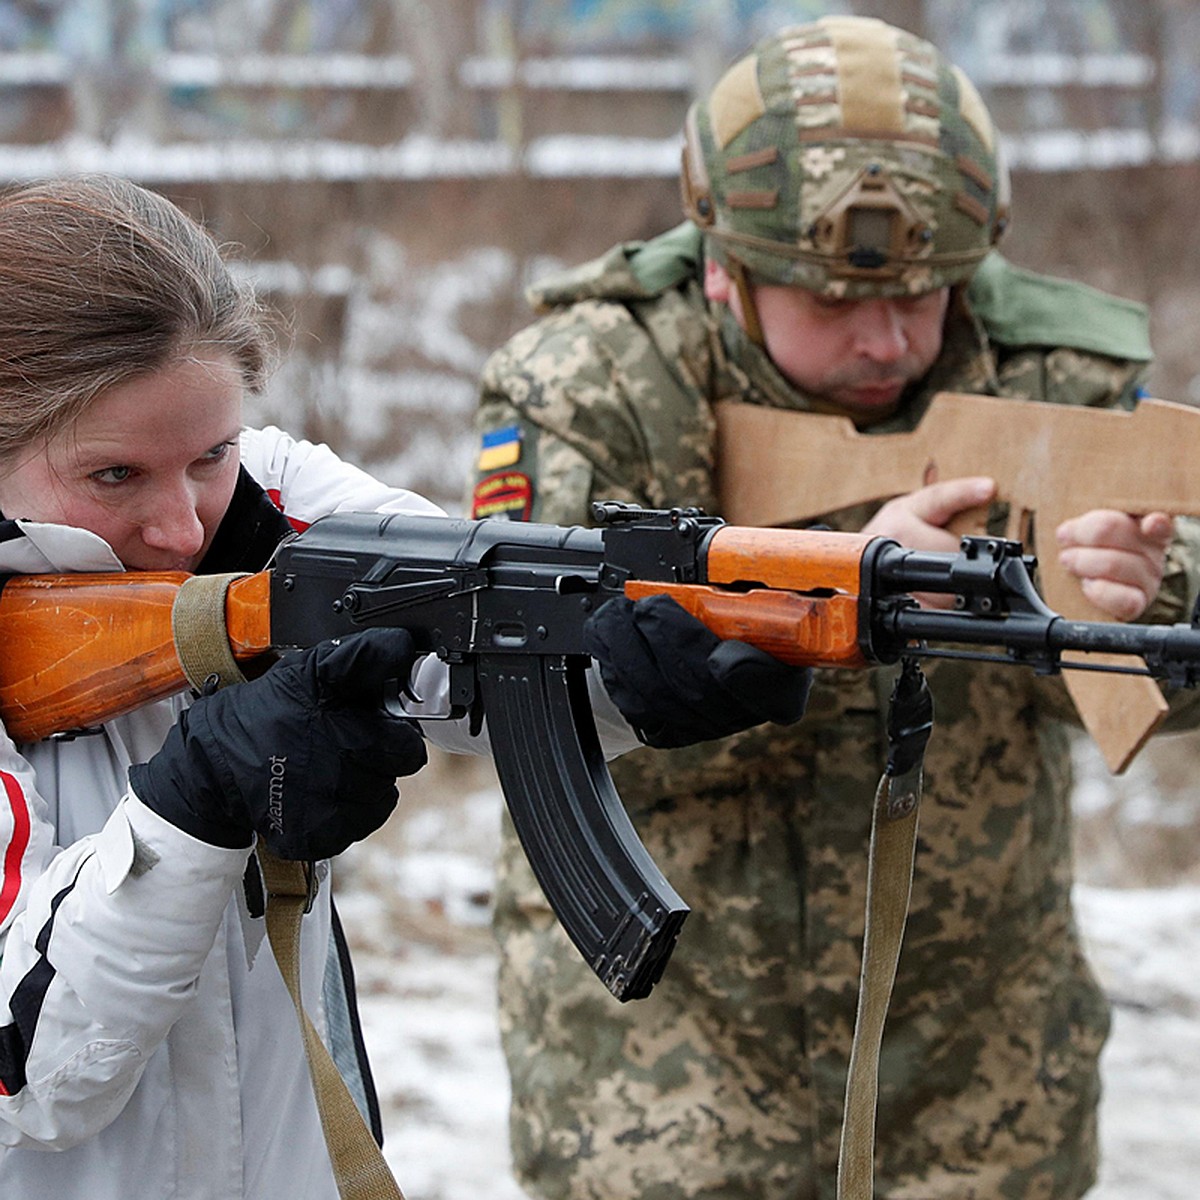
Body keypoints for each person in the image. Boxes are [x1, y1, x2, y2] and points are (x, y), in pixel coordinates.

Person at [472, 15, 1200, 1200]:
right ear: (724, 268)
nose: (890, 338)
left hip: (978, 1078)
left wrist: (1139, 595)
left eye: (925, 297)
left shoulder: (1051, 371)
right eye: (834, 300)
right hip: (663, 1074)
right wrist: (831, 587)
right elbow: (533, 689)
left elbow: (1162, 681)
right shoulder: (593, 381)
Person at [0, 175, 811, 1199]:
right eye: (115, 476)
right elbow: (30, 1080)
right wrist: (191, 806)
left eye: (210, 453)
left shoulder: (273, 501)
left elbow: (464, 629)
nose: (182, 525)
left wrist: (630, 672)